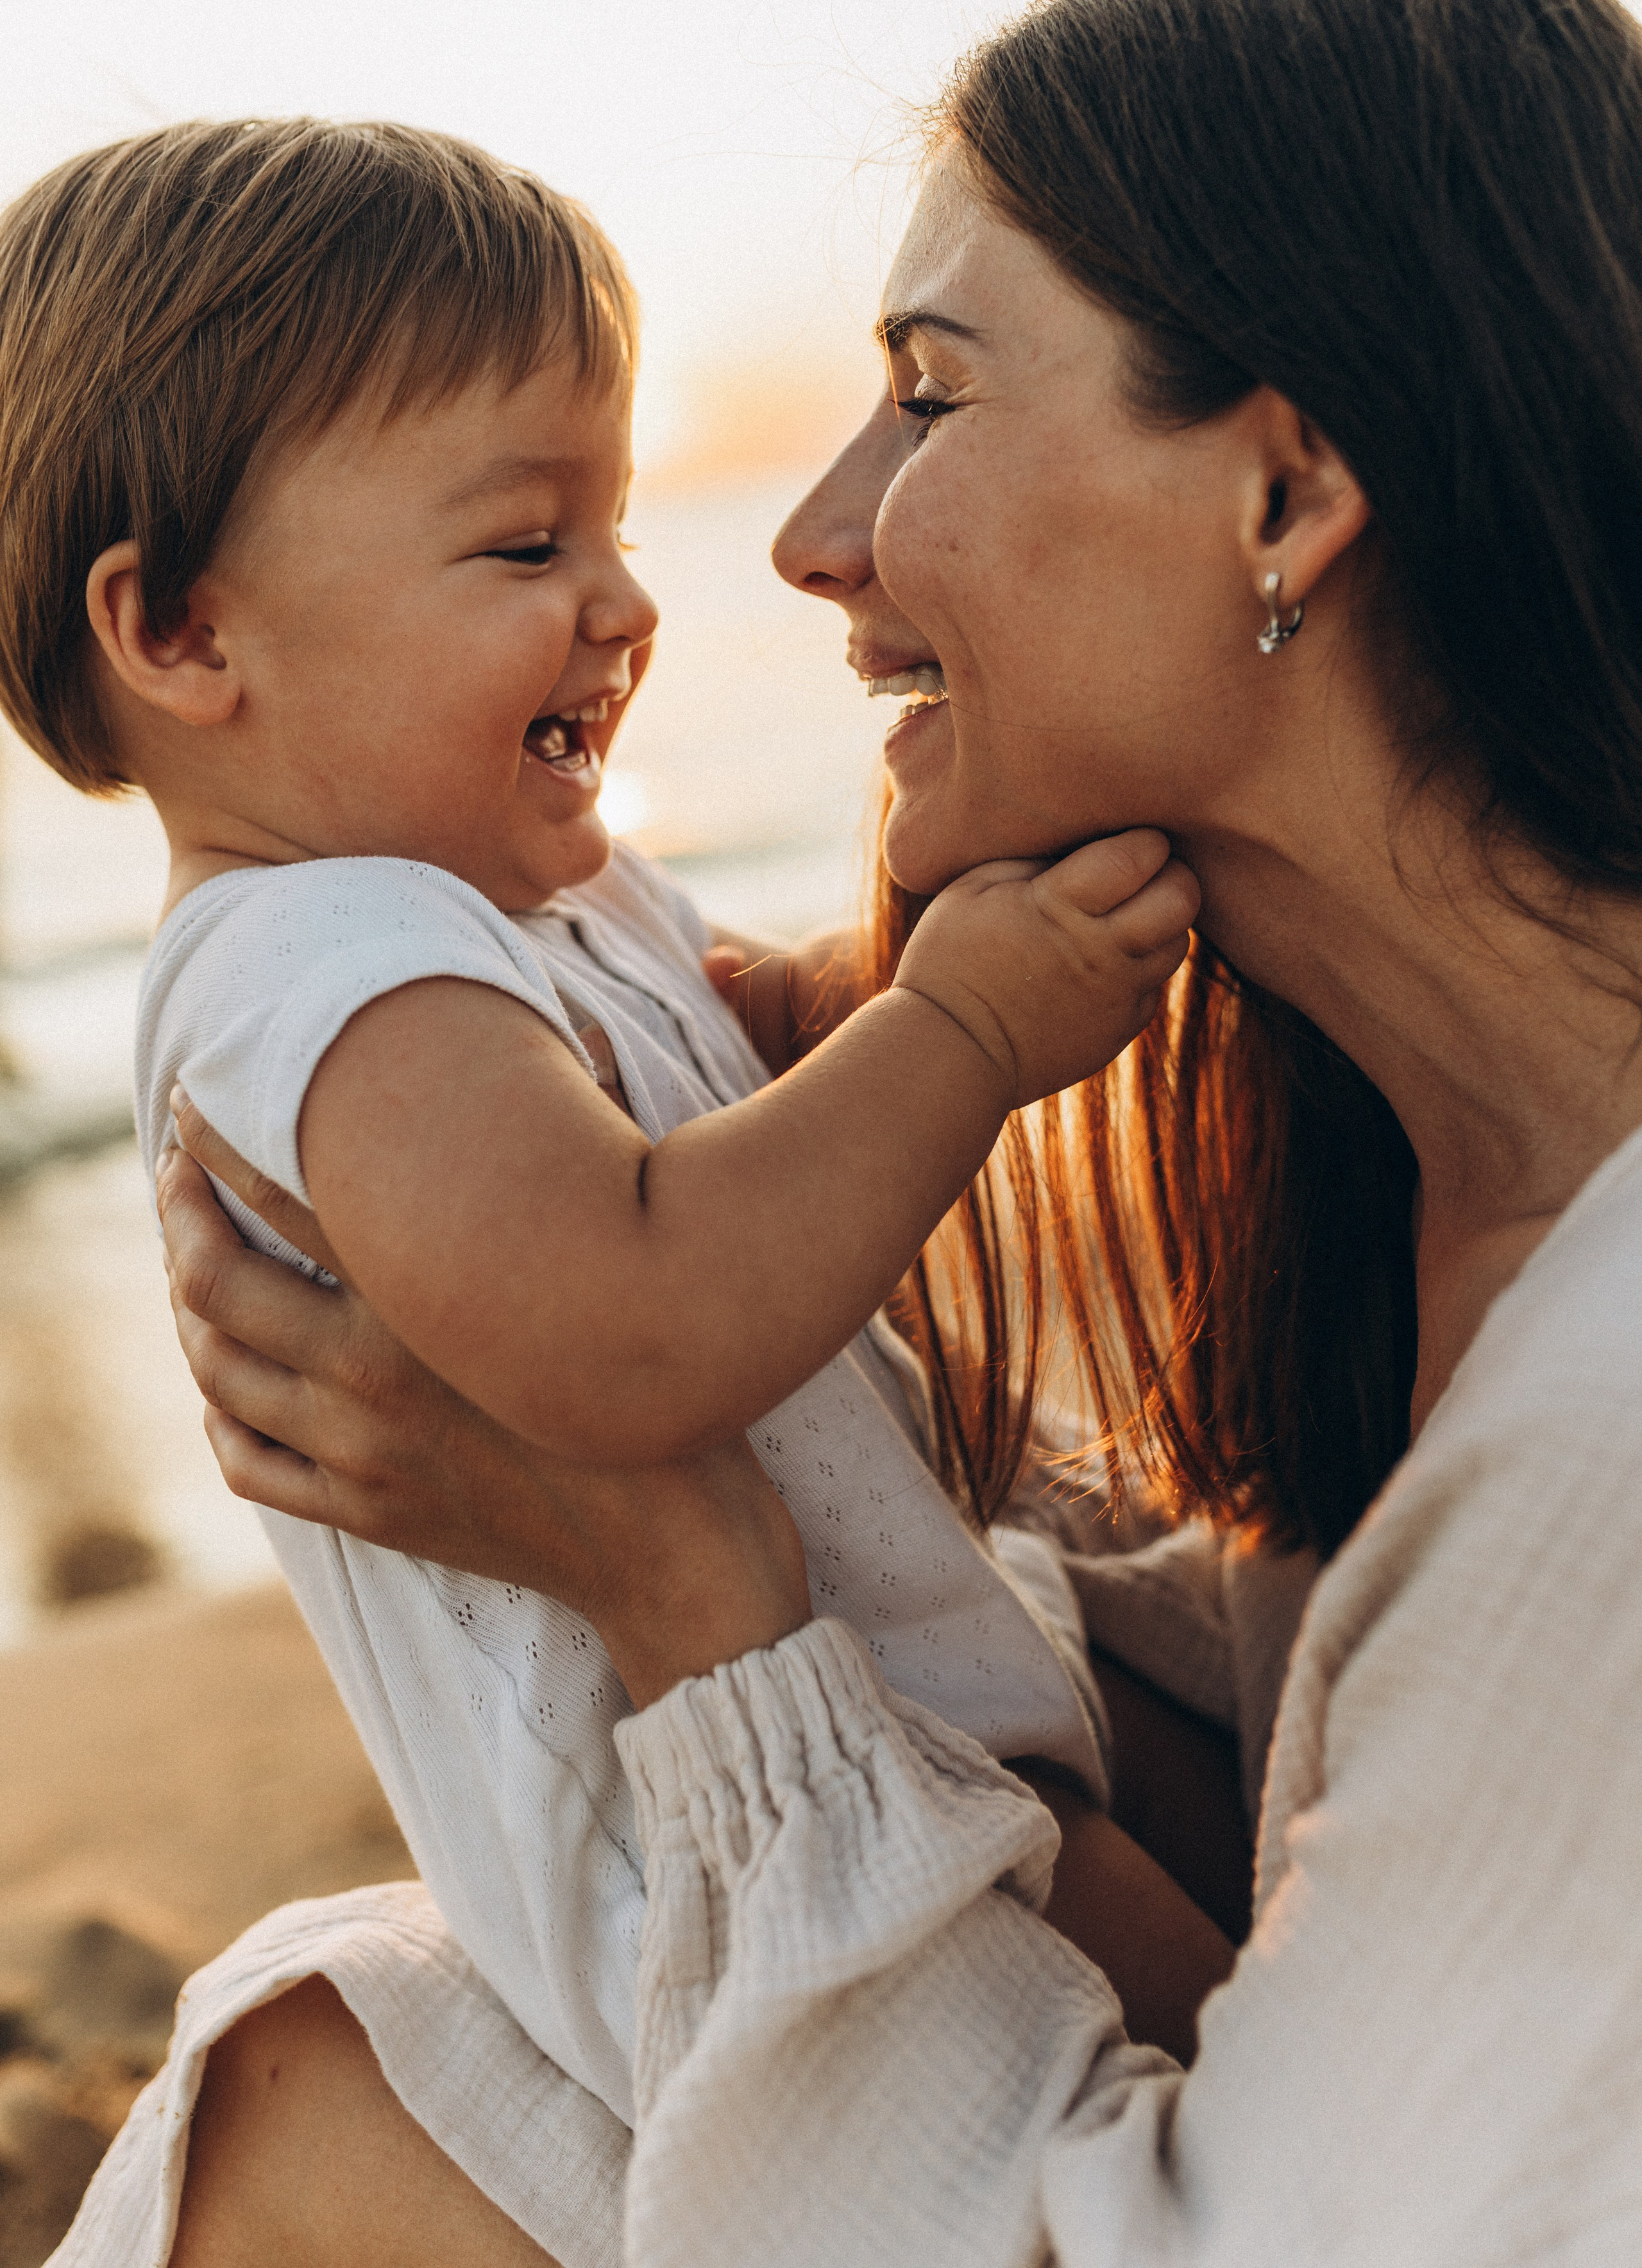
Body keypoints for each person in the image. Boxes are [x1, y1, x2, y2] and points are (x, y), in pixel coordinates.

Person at [146, 0, 1642, 2262]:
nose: (806, 535)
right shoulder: (1435, 1190)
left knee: (316, 2099)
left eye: (931, 393)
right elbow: (1365, 1751)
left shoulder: (1609, 1426)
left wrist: (676, 1576)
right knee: (328, 2055)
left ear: (1287, 499)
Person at [3, 121, 1223, 2268]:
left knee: (1272, 2035)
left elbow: (723, 1076)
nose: (630, 602)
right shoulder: (318, 972)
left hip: (919, 1732)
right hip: (737, 1855)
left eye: (621, 517)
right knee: (1260, 2097)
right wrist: (971, 1035)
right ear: (184, 628)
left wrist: (883, 986)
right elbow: (635, 1321)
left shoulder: (491, 898)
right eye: (521, 545)